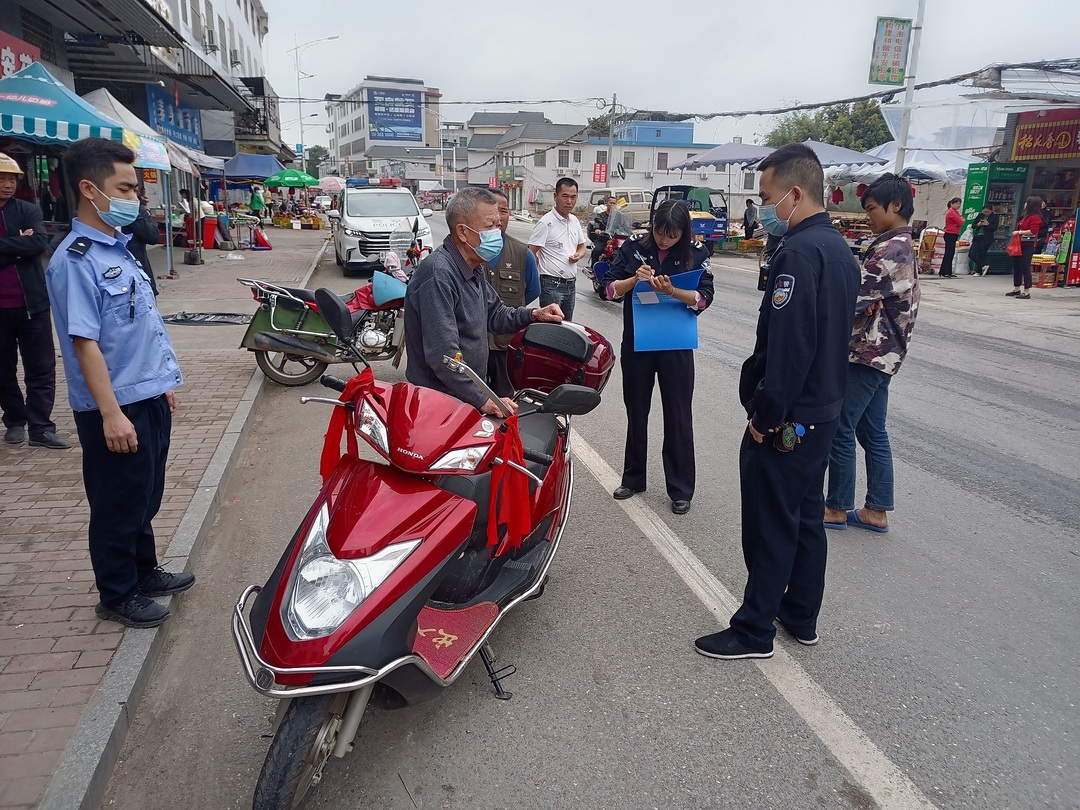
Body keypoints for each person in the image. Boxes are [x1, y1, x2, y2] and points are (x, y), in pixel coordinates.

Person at [694, 143, 859, 660]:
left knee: (770, 523)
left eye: (766, 197)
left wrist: (766, 414)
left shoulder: (797, 254)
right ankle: (801, 615)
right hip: (825, 411)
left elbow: (791, 348)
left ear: (793, 193)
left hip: (790, 415)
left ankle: (753, 629)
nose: (763, 209)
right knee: (807, 516)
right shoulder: (839, 249)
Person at [46, 138, 193, 628]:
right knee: (116, 501)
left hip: (146, 394)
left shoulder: (120, 249)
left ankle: (144, 571)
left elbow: (137, 327)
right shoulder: (76, 260)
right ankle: (116, 592)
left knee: (145, 493)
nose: (136, 198)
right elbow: (86, 344)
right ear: (90, 188)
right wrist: (111, 413)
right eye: (126, 187)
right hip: (113, 406)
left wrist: (159, 383)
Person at [404, 187, 563, 415]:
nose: (497, 233)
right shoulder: (439, 274)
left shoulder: (472, 266)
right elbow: (444, 356)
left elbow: (496, 314)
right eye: (489, 227)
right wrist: (482, 399)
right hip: (440, 403)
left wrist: (534, 315)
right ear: (462, 232)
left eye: (498, 225)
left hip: (463, 398)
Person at [603, 200, 715, 515]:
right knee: (636, 412)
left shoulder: (697, 253)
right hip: (638, 345)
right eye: (660, 232)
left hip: (676, 348)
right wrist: (633, 280)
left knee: (678, 416)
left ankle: (680, 488)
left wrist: (673, 292)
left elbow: (704, 298)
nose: (665, 239)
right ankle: (633, 478)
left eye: (672, 234)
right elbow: (608, 289)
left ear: (683, 232)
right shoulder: (633, 249)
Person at [823, 174, 920, 535]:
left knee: (841, 428)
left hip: (869, 351)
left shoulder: (891, 248)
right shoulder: (901, 244)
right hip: (885, 354)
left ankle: (836, 507)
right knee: (872, 430)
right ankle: (876, 509)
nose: (867, 216)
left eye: (872, 209)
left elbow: (855, 297)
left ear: (895, 206)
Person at [0, 152, 70, 449]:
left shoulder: (27, 210)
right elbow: (26, 246)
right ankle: (15, 420)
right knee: (2, 369)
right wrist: (17, 245)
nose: (7, 185)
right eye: (1, 179)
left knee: (40, 368)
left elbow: (38, 243)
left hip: (33, 304)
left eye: (12, 179)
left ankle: (41, 426)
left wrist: (24, 245)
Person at [485, 188, 541, 398]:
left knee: (504, 403)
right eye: (494, 211)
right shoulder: (468, 250)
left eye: (504, 211)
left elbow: (533, 290)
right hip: (473, 344)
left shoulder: (521, 252)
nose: (499, 218)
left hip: (505, 345)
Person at [528, 177, 586, 321]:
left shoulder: (574, 221)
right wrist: (536, 275)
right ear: (555, 196)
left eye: (573, 197)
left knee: (567, 328)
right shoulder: (546, 223)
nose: (569, 201)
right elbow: (530, 252)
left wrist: (578, 255)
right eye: (565, 196)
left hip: (571, 285)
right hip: (551, 285)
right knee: (552, 329)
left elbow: (582, 246)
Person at [122, 188, 160, 296]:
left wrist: (131, 213)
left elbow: (153, 237)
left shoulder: (138, 211)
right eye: (123, 190)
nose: (134, 197)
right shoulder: (89, 219)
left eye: (134, 191)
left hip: (142, 283)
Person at [1007, 196, 1044, 299]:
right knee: (1017, 266)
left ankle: (1027, 291)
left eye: (1027, 202)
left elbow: (1033, 231)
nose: (1025, 204)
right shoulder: (1025, 216)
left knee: (1025, 267)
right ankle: (1017, 288)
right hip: (1019, 244)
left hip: (1028, 246)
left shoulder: (1035, 217)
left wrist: (1019, 232)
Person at [969, 204, 998, 275]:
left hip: (986, 238)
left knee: (981, 254)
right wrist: (978, 225)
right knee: (971, 254)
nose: (986, 213)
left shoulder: (995, 217)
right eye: (985, 212)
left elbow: (994, 228)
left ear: (991, 211)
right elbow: (973, 226)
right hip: (977, 236)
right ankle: (983, 266)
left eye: (988, 212)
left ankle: (979, 271)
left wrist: (987, 225)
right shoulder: (980, 215)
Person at [939, 197, 963, 277]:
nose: (958, 205)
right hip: (950, 234)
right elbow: (960, 222)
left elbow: (961, 219)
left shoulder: (955, 212)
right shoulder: (951, 212)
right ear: (952, 204)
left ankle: (948, 271)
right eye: (957, 203)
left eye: (959, 203)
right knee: (948, 253)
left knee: (951, 253)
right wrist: (959, 221)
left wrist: (960, 221)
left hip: (954, 233)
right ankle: (944, 271)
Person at [589, 197, 617, 266]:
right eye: (611, 203)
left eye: (614, 203)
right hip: (604, 238)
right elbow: (596, 223)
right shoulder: (601, 215)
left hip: (616, 240)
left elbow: (624, 226)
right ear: (607, 204)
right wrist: (597, 229)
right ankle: (593, 269)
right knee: (597, 250)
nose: (612, 205)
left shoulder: (619, 216)